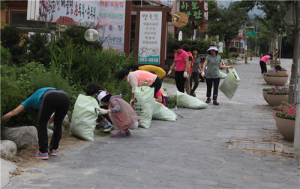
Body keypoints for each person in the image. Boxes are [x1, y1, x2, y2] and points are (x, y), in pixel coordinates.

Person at [1, 87, 70, 160]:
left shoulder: (29, 100)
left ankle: (43, 152)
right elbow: (56, 115)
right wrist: (49, 122)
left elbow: (14, 112)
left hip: (50, 95)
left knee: (41, 123)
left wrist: (1, 119)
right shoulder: (39, 94)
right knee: (58, 124)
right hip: (65, 96)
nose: (35, 109)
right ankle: (53, 149)